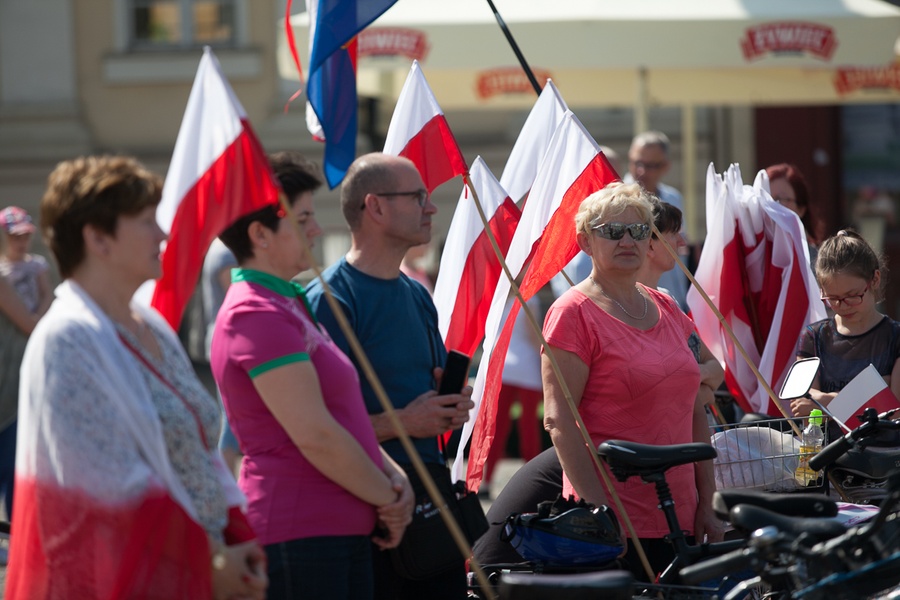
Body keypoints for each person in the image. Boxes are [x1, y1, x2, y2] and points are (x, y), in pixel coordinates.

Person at [7, 155, 266, 599]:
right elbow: (105, 488)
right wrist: (211, 559)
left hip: (194, 570)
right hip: (128, 579)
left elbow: (202, 453)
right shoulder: (66, 339)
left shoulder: (150, 323)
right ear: (98, 239)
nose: (163, 234)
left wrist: (236, 537)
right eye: (147, 221)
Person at [211, 151, 413, 600]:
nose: (317, 229)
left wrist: (395, 478)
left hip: (333, 529)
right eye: (302, 219)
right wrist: (389, 496)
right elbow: (315, 433)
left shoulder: (286, 301)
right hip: (299, 533)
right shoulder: (253, 312)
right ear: (259, 234)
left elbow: (343, 419)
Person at [306, 152, 475, 600]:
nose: (431, 207)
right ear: (375, 207)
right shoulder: (329, 300)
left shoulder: (417, 295)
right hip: (367, 516)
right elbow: (312, 425)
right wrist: (406, 421)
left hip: (429, 510)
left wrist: (450, 405)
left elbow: (426, 397)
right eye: (418, 196)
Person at [541, 181, 722, 581]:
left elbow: (696, 406)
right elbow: (559, 422)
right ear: (586, 242)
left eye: (639, 231)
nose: (628, 240)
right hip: (615, 521)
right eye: (612, 231)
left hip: (681, 514)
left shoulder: (667, 305)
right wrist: (599, 514)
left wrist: (706, 502)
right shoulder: (572, 313)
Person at [792, 229, 900, 417]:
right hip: (828, 446)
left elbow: (894, 411)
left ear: (874, 279)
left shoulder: (895, 337)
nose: (842, 306)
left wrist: (826, 401)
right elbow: (801, 404)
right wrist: (872, 393)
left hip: (882, 446)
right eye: (832, 298)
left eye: (852, 296)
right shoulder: (813, 336)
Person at [0, 205, 51, 522]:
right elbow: (29, 321)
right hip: (7, 368)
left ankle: (16, 533)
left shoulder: (38, 266)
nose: (21, 242)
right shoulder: (2, 274)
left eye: (25, 236)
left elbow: (47, 297)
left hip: (30, 367)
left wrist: (42, 309)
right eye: (15, 236)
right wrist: (41, 313)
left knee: (19, 460)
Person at [482, 293, 544, 494]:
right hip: (527, 367)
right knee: (528, 428)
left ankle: (487, 480)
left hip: (502, 366)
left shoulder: (497, 296)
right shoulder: (530, 298)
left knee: (497, 427)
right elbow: (532, 336)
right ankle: (534, 484)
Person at [625, 131, 689, 312]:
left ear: (665, 166)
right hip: (636, 305)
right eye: (638, 163)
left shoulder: (673, 198)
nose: (641, 171)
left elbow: (682, 249)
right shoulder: (617, 201)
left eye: (651, 165)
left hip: (674, 300)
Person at [765, 163, 824, 266]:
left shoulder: (818, 265)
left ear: (801, 209)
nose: (772, 206)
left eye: (780, 199)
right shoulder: (752, 260)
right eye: (766, 199)